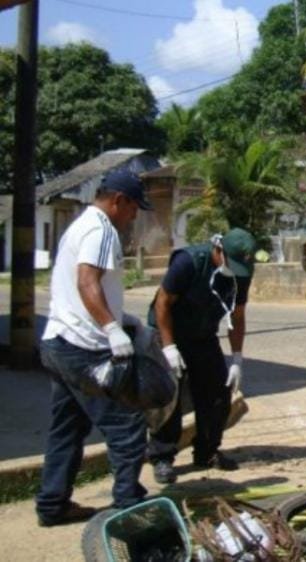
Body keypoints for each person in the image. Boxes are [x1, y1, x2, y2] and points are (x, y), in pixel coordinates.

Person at [36, 170, 153, 526]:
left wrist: (122, 317)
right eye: (133, 208)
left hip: (59, 341)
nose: (133, 216)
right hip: (84, 349)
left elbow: (81, 287)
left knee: (67, 429)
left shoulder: (80, 225)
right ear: (119, 200)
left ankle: (53, 504)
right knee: (127, 426)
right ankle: (128, 509)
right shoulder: (101, 229)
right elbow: (87, 282)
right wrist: (112, 329)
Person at [146, 228, 256, 484]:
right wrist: (169, 347)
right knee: (169, 397)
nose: (235, 271)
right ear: (219, 250)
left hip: (203, 335)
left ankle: (206, 452)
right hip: (168, 332)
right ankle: (162, 457)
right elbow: (163, 303)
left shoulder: (241, 274)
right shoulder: (189, 262)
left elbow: (237, 316)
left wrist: (237, 359)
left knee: (217, 393)